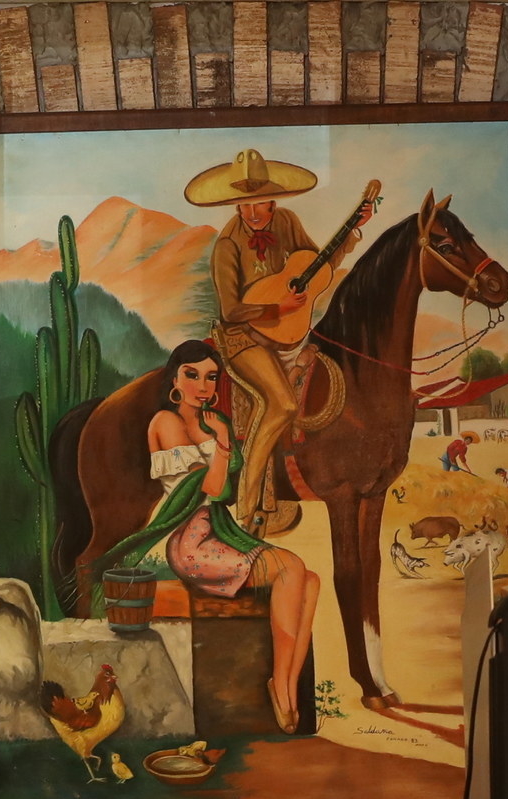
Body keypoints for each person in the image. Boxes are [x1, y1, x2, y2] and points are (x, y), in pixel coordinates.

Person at [102, 341, 323, 731]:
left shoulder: (212, 420)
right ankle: (284, 691)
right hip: (192, 543)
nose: (203, 385)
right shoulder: (165, 423)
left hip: (223, 532)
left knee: (312, 581)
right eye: (192, 375)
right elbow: (211, 487)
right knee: (292, 568)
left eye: (211, 377)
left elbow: (232, 490)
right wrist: (223, 440)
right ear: (174, 378)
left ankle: (285, 683)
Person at [191, 147, 362, 536]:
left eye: (261, 204)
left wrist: (350, 235)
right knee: (283, 403)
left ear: (274, 200)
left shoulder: (287, 222)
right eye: (244, 205)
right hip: (241, 338)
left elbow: (315, 269)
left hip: (288, 333)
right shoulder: (226, 246)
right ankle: (247, 511)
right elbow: (232, 310)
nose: (252, 213)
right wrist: (275, 307)